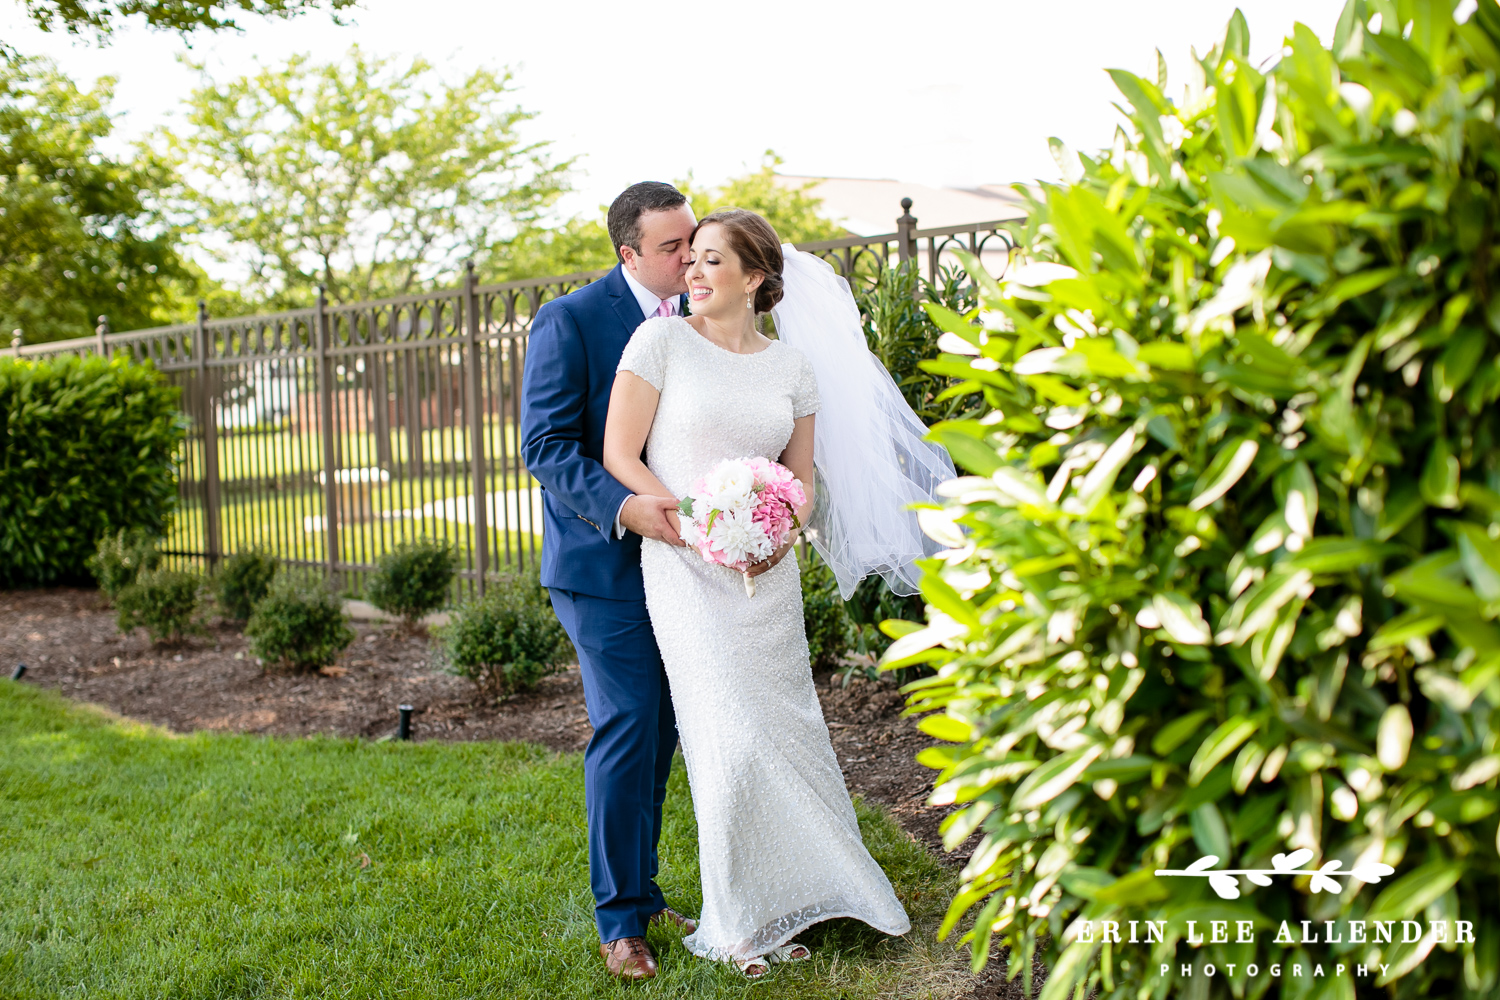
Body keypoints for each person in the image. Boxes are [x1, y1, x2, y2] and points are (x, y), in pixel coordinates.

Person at [601, 208, 952, 976]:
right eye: (688, 259)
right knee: (726, 737)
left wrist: (775, 534)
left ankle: (810, 889)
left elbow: (801, 479)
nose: (691, 272)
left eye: (711, 261)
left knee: (786, 731)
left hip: (767, 575)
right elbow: (620, 453)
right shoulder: (659, 342)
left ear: (755, 278)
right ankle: (737, 922)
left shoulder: (791, 368)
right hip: (686, 566)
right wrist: (693, 524)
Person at [519, 181, 700, 981]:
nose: (690, 254)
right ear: (629, 254)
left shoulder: (699, 318)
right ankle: (621, 922)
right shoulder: (571, 320)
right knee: (627, 721)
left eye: (693, 238)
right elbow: (547, 445)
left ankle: (644, 889)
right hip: (601, 562)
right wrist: (627, 507)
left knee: (661, 730)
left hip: (687, 559)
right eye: (671, 245)